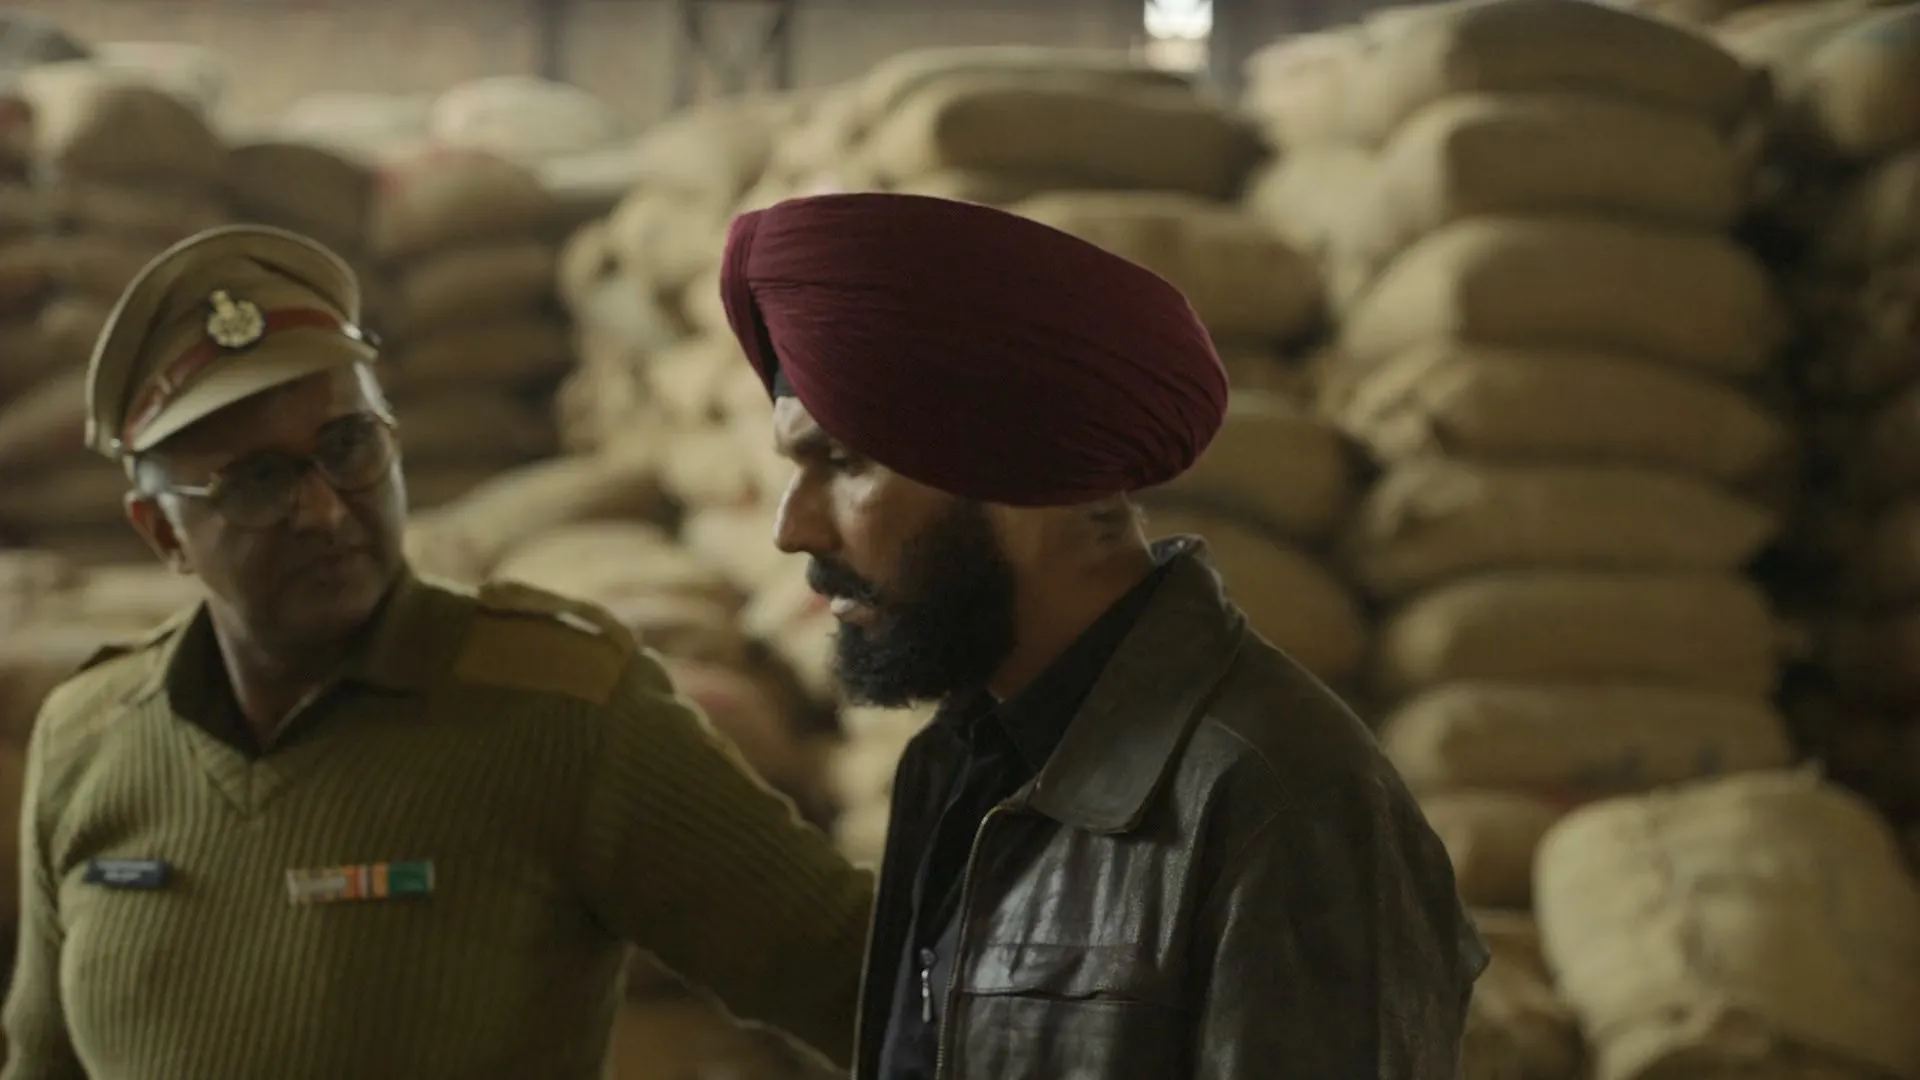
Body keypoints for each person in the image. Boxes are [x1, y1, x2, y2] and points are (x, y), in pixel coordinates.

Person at [2, 224, 874, 1079]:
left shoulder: (560, 713)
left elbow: (853, 975)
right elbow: (42, 1060)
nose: (326, 510)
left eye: (348, 447)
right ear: (163, 533)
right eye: (259, 481)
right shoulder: (87, 741)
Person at [719, 192, 1490, 1079]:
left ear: (1014, 472)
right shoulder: (958, 766)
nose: (793, 530)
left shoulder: (1281, 802)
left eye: (845, 463)